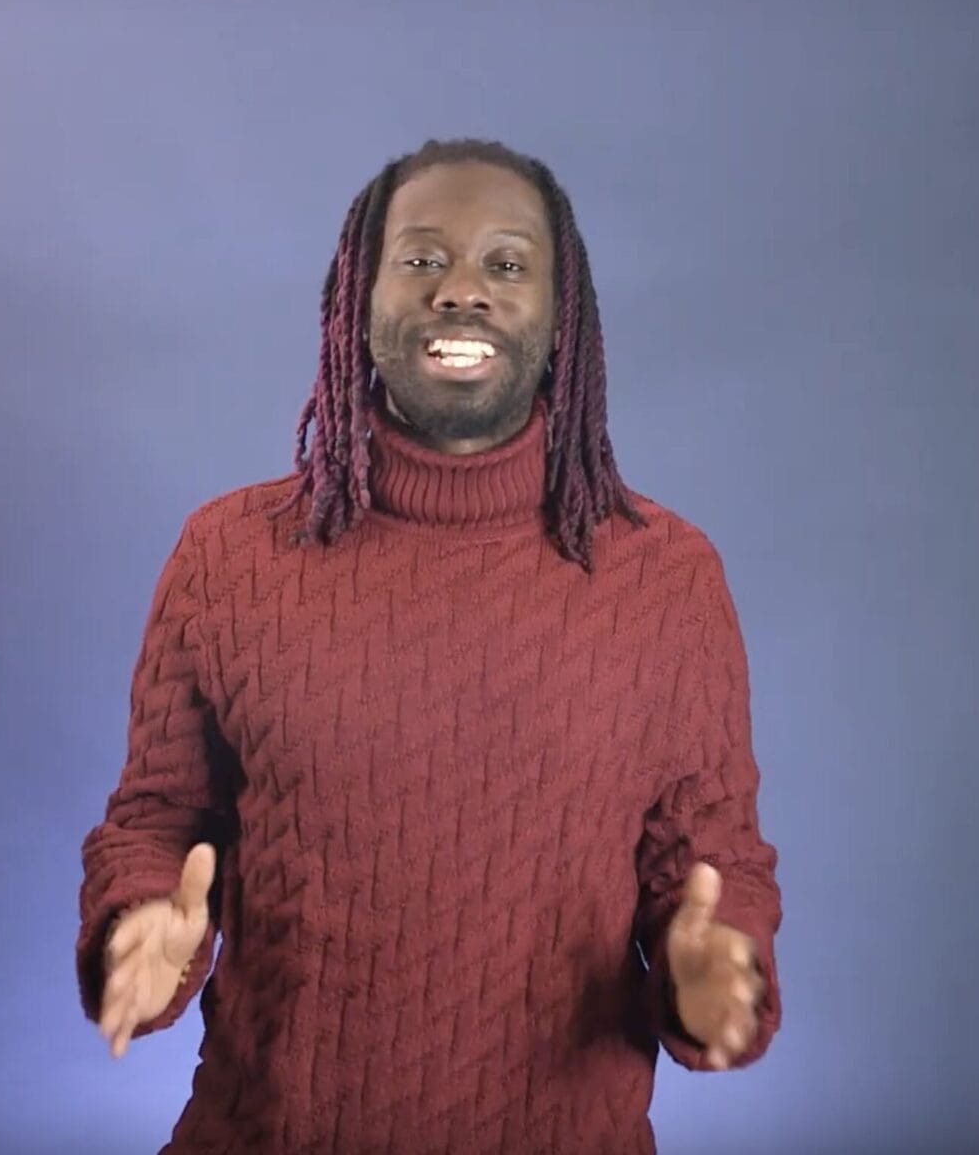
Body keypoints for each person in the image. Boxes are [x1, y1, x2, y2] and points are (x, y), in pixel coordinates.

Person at [76, 138, 782, 1153]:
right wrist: (137, 922)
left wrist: (714, 969)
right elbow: (157, 821)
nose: (461, 290)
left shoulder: (665, 577)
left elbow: (712, 864)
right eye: (420, 259)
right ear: (358, 299)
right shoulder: (228, 556)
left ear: (561, 313)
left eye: (506, 263)